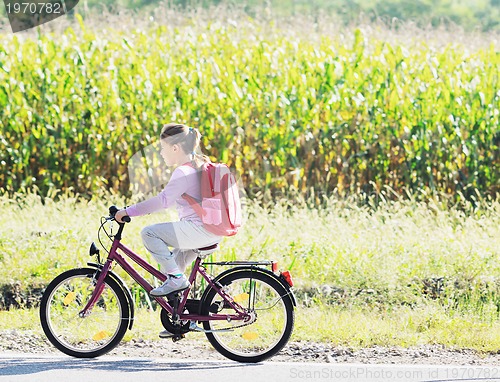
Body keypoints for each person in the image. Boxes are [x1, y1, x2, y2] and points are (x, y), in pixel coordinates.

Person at [115, 123, 221, 337]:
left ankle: (177, 281)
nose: (161, 153)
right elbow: (173, 202)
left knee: (149, 233)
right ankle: (179, 321)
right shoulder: (196, 165)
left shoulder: (183, 171)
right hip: (206, 230)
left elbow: (163, 201)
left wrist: (128, 211)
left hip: (199, 230)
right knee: (172, 269)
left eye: (163, 147)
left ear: (175, 148)